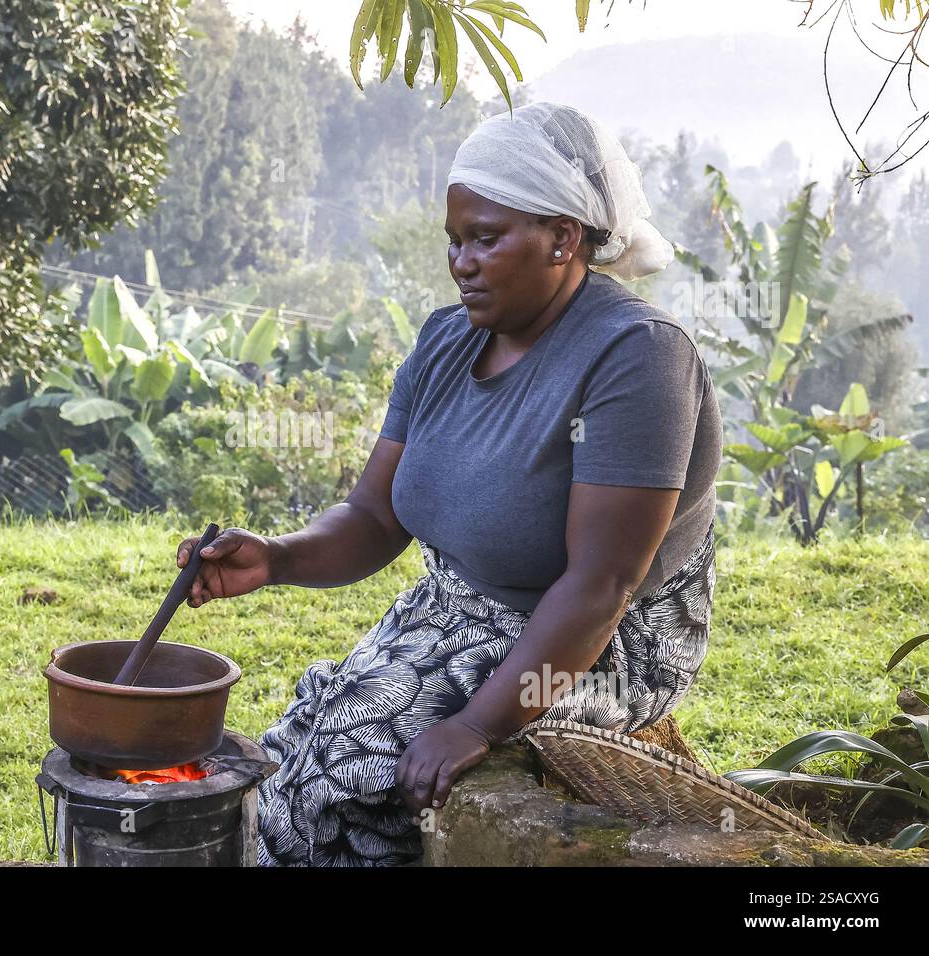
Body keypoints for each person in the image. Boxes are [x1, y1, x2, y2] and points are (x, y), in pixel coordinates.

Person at [174, 102, 722, 867]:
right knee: (290, 750)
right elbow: (373, 513)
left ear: (564, 238)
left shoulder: (637, 358)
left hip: (603, 641)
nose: (461, 261)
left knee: (350, 775)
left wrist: (479, 726)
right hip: (457, 608)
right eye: (455, 241)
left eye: (485, 239)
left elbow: (602, 585)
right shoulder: (446, 340)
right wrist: (278, 558)